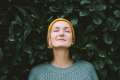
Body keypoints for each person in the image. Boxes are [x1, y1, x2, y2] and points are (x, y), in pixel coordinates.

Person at [28, 18, 99, 80]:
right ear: (49, 41)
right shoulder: (37, 73)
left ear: (72, 40)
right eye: (56, 30)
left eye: (67, 31)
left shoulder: (87, 69)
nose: (61, 33)